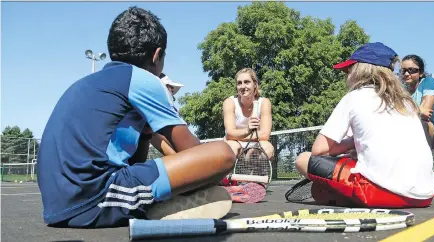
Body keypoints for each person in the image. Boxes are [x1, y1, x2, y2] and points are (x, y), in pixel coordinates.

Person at [37, 7, 236, 228]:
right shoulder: (144, 79)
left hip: (61, 204)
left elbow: (132, 165)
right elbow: (193, 151)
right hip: (93, 198)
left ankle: (154, 201)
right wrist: (212, 177)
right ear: (157, 55)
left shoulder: (88, 83)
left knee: (151, 173)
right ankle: (167, 200)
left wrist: (144, 134)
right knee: (223, 153)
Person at [295, 42, 434, 208]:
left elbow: (319, 150)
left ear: (359, 70)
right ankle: (341, 194)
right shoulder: (407, 102)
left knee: (303, 159)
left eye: (348, 70)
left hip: (380, 193)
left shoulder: (355, 96)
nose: (346, 75)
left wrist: (351, 143)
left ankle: (342, 193)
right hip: (424, 196)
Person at [222, 68, 274, 159]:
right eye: (239, 83)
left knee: (268, 149)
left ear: (255, 84)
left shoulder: (265, 102)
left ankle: (257, 171)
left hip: (256, 142)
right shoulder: (229, 102)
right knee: (231, 148)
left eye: (247, 82)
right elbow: (230, 133)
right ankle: (229, 173)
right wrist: (247, 130)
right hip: (234, 143)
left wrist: (235, 135)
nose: (242, 86)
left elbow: (265, 135)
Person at [400, 55, 434, 150]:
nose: (406, 74)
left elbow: (425, 112)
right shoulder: (401, 90)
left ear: (420, 73)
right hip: (411, 127)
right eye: (403, 70)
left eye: (411, 70)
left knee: (419, 123)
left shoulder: (428, 82)